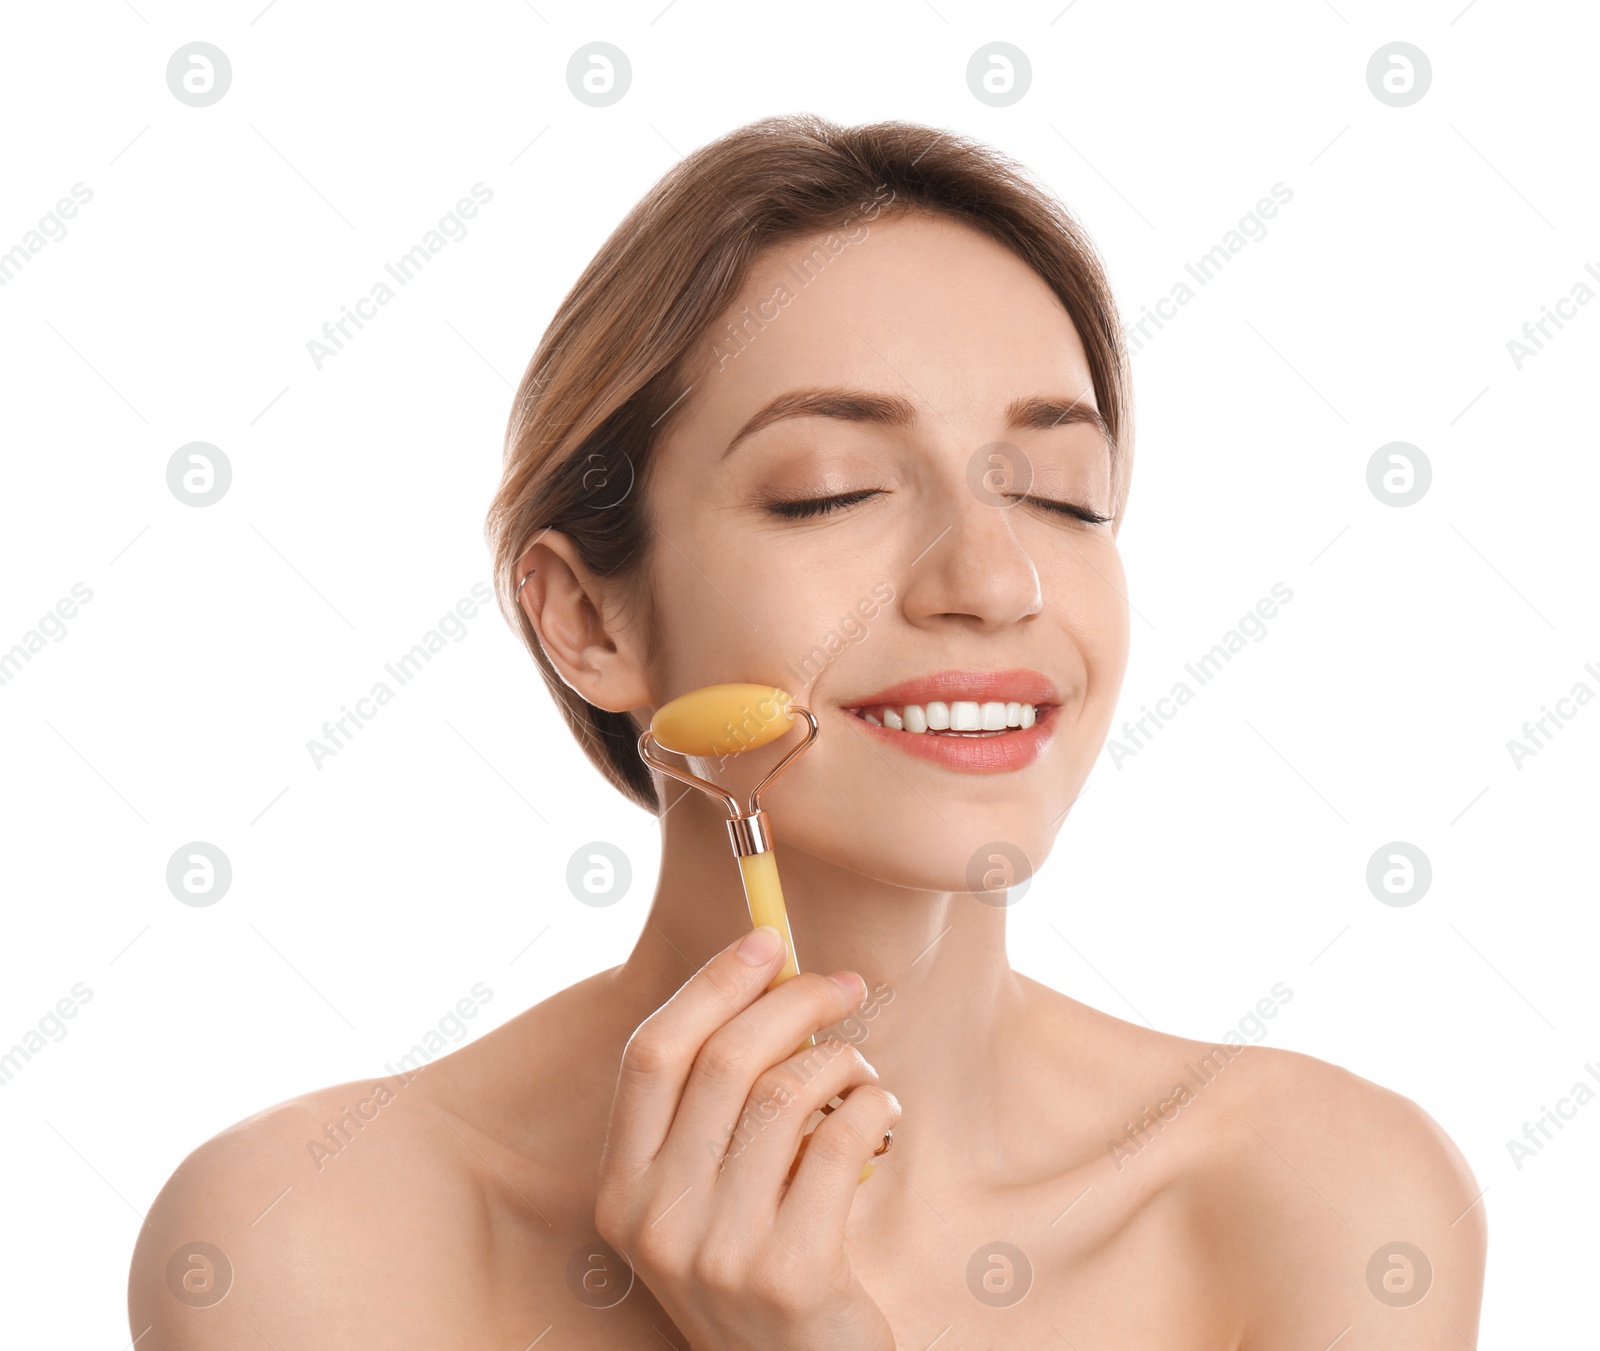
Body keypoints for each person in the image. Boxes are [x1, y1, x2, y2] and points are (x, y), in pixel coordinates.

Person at [128, 114, 1486, 1349]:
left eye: (1064, 496)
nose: (994, 580)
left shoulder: (1327, 1200)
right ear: (588, 618)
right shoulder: (301, 1244)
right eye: (832, 493)